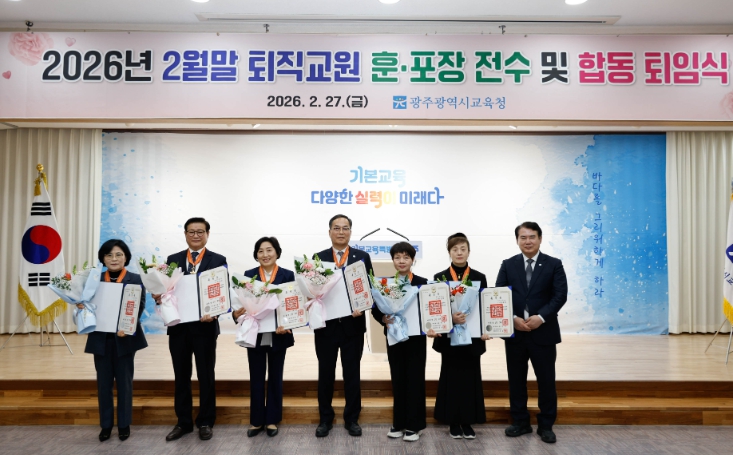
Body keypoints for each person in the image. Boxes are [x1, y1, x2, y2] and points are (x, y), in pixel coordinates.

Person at [154, 217, 227, 442]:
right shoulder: (173, 260)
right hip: (179, 327)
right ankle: (183, 422)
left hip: (205, 326)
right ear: (185, 234)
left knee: (206, 375)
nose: (196, 235)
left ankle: (205, 421)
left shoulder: (218, 260)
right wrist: (159, 296)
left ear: (207, 234)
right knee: (181, 375)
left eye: (200, 231)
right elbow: (166, 290)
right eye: (191, 232)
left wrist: (216, 312)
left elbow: (222, 291)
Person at [495, 222, 568, 444]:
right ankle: (520, 422)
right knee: (516, 381)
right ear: (517, 240)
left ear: (540, 239)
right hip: (516, 332)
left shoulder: (554, 264)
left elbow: (560, 295)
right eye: (523, 237)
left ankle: (546, 425)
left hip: (543, 332)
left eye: (532, 237)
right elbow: (499, 294)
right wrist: (513, 319)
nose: (528, 241)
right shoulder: (508, 264)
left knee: (546, 381)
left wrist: (541, 317)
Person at [312, 214, 374, 438]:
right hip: (326, 326)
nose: (341, 232)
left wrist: (363, 306)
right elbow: (313, 290)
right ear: (329, 231)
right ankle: (325, 419)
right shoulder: (318, 258)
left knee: (352, 374)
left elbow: (369, 287)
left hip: (352, 326)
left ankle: (352, 419)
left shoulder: (362, 257)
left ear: (350, 232)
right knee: (325, 374)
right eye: (336, 228)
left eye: (345, 228)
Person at [81, 239, 147, 442]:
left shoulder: (135, 279)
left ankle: (124, 424)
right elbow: (88, 304)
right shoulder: (94, 280)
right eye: (109, 255)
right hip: (101, 338)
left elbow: (139, 306)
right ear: (103, 258)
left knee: (125, 383)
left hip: (124, 339)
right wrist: (81, 306)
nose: (114, 259)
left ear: (126, 257)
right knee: (103, 384)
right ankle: (106, 425)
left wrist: (128, 326)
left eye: (119, 254)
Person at [428, 232, 491, 440]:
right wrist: (450, 318)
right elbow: (436, 308)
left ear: (469, 251)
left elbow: (484, 307)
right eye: (455, 249)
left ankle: (468, 421)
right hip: (450, 336)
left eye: (463, 249)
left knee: (471, 378)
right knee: (451, 377)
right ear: (449, 252)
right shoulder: (440, 277)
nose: (459, 253)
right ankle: (453, 422)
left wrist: (486, 330)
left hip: (472, 337)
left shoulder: (479, 277)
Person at [232, 236, 295, 438]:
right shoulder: (248, 276)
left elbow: (292, 303)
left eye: (269, 250)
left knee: (276, 377)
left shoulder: (287, 275)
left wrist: (287, 323)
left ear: (277, 252)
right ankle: (257, 420)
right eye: (260, 251)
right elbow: (241, 305)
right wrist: (236, 314)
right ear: (256, 255)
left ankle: (272, 420)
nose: (265, 254)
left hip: (279, 334)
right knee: (256, 377)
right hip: (255, 334)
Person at [371, 241, 428, 442]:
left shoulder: (423, 282)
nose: (401, 261)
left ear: (413, 260)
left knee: (415, 379)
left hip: (416, 339)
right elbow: (376, 309)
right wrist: (383, 318)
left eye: (406, 257)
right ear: (393, 260)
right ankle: (399, 423)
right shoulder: (384, 284)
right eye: (397, 257)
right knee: (398, 379)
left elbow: (429, 308)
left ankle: (415, 425)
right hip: (394, 337)